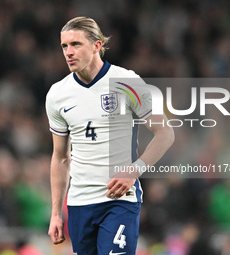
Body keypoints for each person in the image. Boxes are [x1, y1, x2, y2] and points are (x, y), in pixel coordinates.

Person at [45, 16, 174, 255]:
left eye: (76, 44)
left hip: (119, 200)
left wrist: (133, 171)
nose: (68, 52)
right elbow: (61, 158)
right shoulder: (57, 95)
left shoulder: (127, 81)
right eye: (64, 46)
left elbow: (165, 132)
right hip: (79, 204)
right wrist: (56, 213)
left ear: (96, 46)